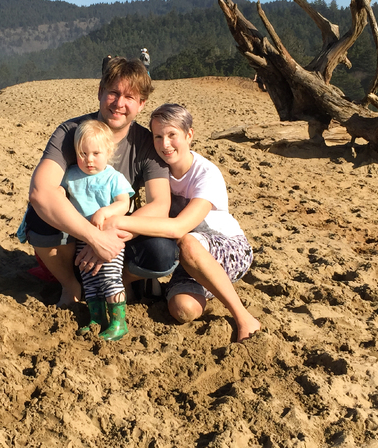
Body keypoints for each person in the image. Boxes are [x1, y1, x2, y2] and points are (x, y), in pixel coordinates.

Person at [17, 57, 177, 308]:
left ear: (141, 104)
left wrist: (109, 234)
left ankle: (121, 281)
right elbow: (40, 191)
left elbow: (160, 205)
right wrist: (92, 237)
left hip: (117, 241)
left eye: (130, 97)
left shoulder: (146, 143)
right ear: (100, 92)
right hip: (71, 244)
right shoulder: (71, 132)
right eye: (113, 93)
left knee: (162, 251)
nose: (119, 103)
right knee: (38, 215)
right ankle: (71, 285)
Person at [104, 104, 261, 342]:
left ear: (189, 135)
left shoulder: (206, 174)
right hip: (185, 258)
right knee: (183, 310)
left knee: (186, 242)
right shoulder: (158, 171)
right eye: (158, 137)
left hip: (227, 248)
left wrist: (120, 223)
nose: (165, 144)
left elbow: (179, 227)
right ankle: (193, 284)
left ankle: (243, 317)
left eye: (172, 135)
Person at [62, 119, 134, 340]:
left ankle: (119, 322)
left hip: (109, 237)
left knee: (110, 278)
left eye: (96, 153)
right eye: (83, 154)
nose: (89, 160)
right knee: (90, 280)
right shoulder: (71, 175)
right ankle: (97, 318)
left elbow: (124, 203)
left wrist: (105, 211)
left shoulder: (113, 177)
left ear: (108, 152)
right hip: (82, 238)